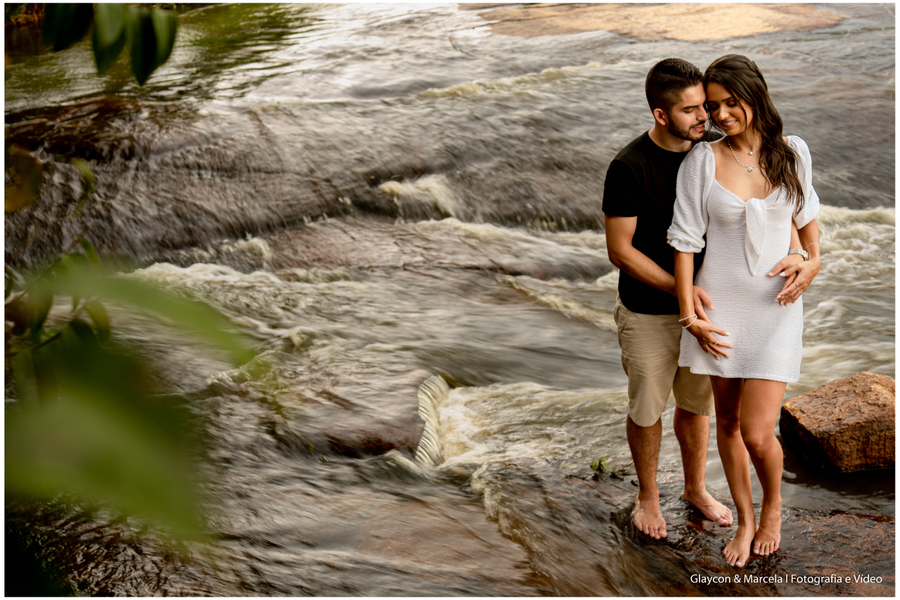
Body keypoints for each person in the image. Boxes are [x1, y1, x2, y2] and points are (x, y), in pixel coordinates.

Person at [667, 54, 821, 568]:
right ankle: (746, 518)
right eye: (713, 106)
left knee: (758, 430)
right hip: (722, 307)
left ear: (754, 95)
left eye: (732, 102)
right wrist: (691, 313)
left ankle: (773, 508)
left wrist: (809, 259)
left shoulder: (792, 152)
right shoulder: (701, 162)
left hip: (776, 306)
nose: (722, 114)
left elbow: (807, 223)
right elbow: (685, 241)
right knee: (727, 423)